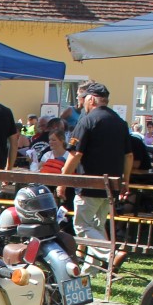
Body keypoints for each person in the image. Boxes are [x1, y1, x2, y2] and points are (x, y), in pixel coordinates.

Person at [61, 81, 131, 238]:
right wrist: (125, 181)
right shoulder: (120, 123)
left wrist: (62, 181)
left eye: (84, 98)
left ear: (91, 99)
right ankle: (92, 264)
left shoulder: (87, 121)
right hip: (111, 187)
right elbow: (129, 155)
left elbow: (75, 154)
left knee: (82, 226)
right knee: (97, 226)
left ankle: (109, 253)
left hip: (89, 185)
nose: (83, 102)